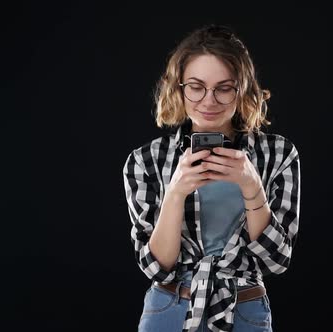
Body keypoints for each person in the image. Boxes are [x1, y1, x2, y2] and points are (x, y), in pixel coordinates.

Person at [122, 24, 301, 332]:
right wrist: (175, 193)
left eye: (224, 88)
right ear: (178, 88)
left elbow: (277, 261)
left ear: (242, 89)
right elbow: (156, 267)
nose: (209, 100)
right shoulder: (146, 160)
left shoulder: (278, 154)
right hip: (169, 308)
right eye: (196, 86)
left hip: (244, 309)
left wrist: (252, 186)